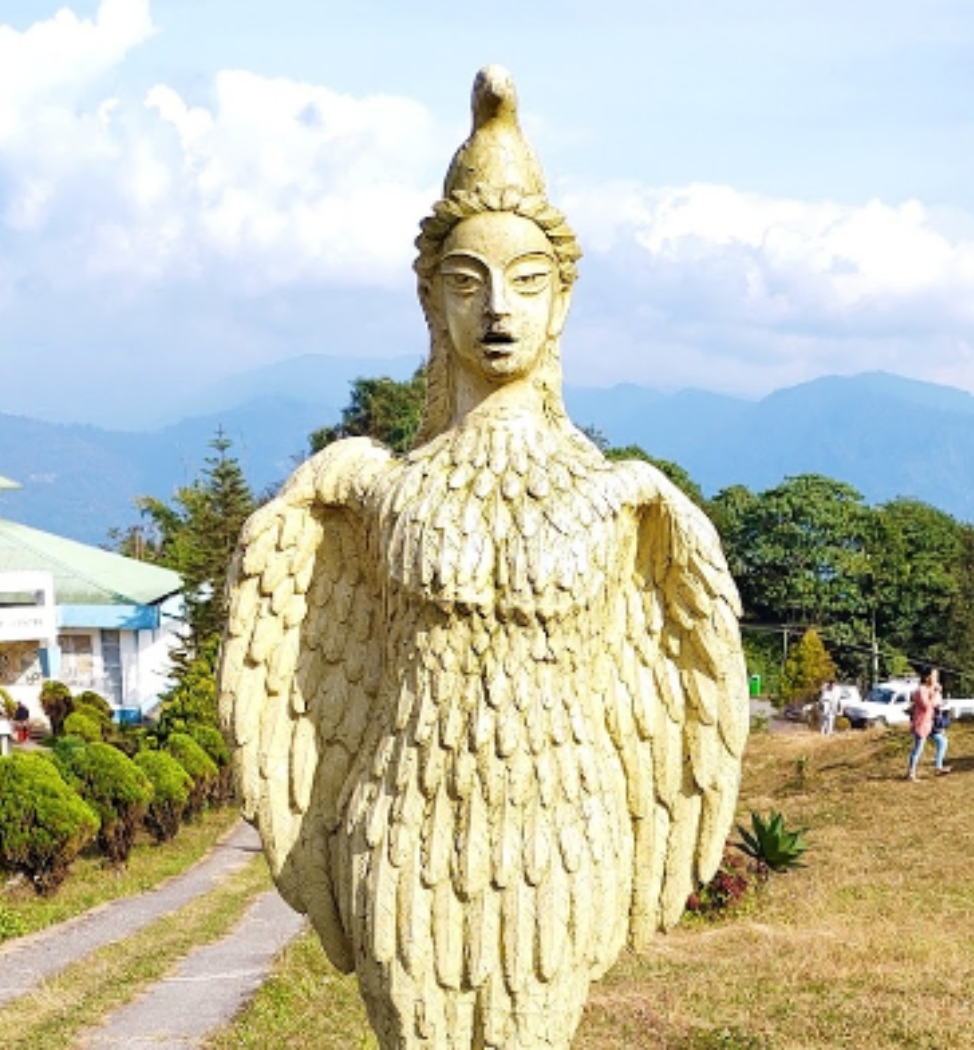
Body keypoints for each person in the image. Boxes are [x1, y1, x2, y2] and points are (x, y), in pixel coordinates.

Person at [218, 67, 748, 1050]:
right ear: (434, 300)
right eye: (469, 283)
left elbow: (690, 686)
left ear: (562, 302)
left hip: (556, 829)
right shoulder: (375, 490)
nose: (499, 307)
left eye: (528, 282)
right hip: (407, 821)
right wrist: (306, 498)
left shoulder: (625, 500)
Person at [906, 666, 946, 780]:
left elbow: (936, 703)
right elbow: (927, 706)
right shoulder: (921, 690)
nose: (936, 679)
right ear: (927, 677)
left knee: (942, 741)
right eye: (934, 676)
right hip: (921, 724)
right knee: (918, 749)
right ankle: (911, 774)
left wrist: (937, 694)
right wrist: (935, 693)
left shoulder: (930, 689)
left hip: (930, 723)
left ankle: (938, 767)